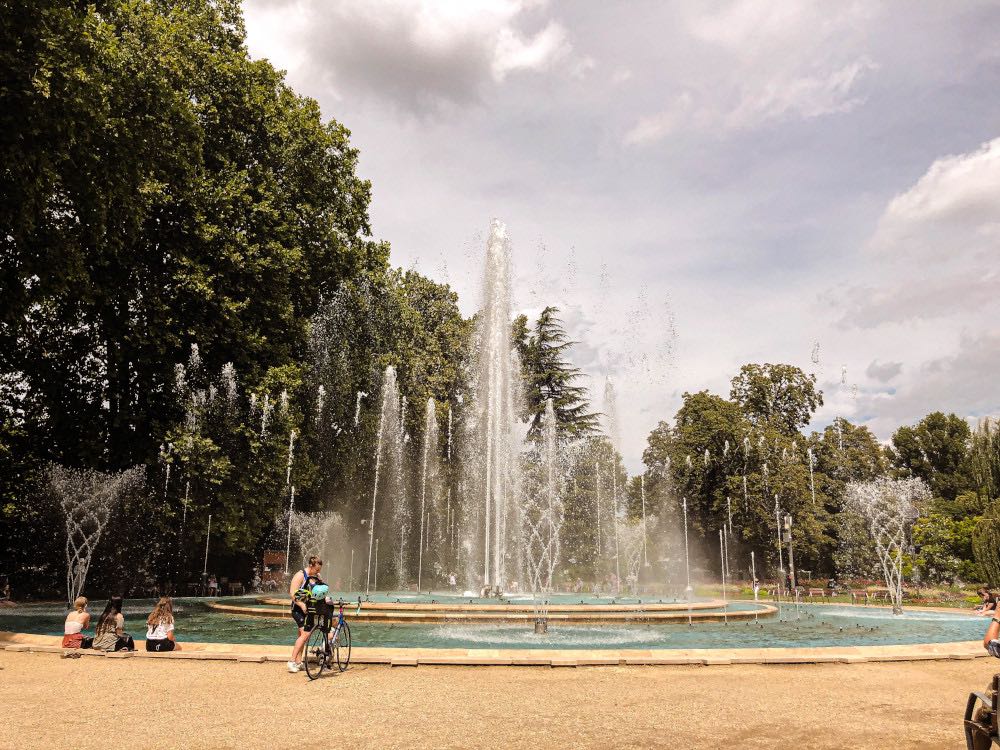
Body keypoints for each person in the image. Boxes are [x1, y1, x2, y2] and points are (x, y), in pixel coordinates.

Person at [287, 556, 324, 673]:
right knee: (305, 634)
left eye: (319, 570)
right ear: (311, 566)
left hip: (309, 610)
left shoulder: (316, 576)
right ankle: (291, 661)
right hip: (297, 609)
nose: (318, 572)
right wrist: (301, 604)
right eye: (317, 570)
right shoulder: (300, 575)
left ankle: (298, 662)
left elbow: (320, 591)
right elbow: (292, 593)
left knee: (301, 636)